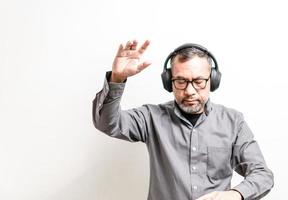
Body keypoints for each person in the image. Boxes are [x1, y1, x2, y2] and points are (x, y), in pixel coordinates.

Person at [92, 40, 274, 200]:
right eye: (180, 81)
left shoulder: (233, 121)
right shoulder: (150, 117)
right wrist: (118, 78)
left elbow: (262, 175)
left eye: (199, 81)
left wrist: (235, 195)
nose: (189, 91)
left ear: (213, 80)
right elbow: (106, 123)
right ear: (168, 82)